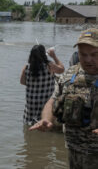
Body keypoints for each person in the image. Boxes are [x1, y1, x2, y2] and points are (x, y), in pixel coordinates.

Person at [30, 28, 98, 169]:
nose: (88, 59)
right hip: (73, 151)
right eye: (83, 54)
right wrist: (46, 119)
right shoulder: (69, 75)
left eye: (94, 54)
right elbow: (53, 100)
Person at [20, 44, 65, 125]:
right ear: (44, 54)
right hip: (45, 107)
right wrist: (54, 56)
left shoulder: (27, 67)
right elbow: (62, 69)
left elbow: (22, 82)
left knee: (29, 131)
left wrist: (33, 84)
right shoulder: (49, 65)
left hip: (30, 108)